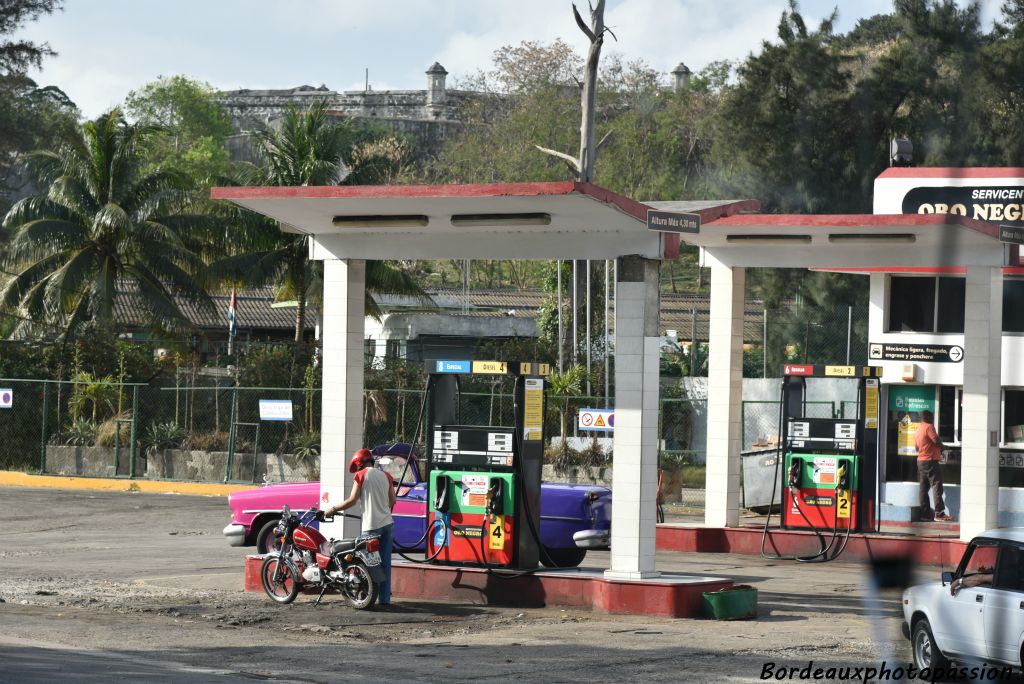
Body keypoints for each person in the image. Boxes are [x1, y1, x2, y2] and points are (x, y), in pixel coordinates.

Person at [323, 448, 397, 609]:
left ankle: (365, 595)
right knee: (385, 563)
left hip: (371, 527)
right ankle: (384, 599)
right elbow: (393, 500)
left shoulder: (361, 475)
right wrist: (381, 510)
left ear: (359, 464)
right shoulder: (387, 476)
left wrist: (332, 509)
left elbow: (352, 500)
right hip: (387, 525)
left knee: (366, 563)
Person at [915, 410, 953, 522]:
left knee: (923, 488)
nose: (932, 418)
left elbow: (917, 448)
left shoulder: (918, 430)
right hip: (930, 461)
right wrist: (944, 446)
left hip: (920, 461)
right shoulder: (929, 427)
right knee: (936, 485)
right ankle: (939, 514)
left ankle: (925, 515)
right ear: (927, 417)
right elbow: (935, 440)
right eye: (931, 416)